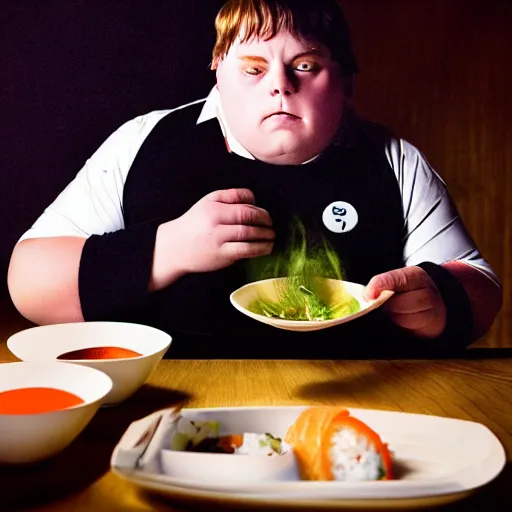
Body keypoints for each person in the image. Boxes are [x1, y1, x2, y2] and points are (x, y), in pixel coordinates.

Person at [7, 0, 502, 358]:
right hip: (167, 400)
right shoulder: (146, 141)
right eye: (253, 68)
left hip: (364, 399)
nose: (280, 85)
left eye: (305, 66)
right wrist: (166, 248)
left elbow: (479, 285)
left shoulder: (395, 161)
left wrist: (438, 297)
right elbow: (28, 281)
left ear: (346, 82)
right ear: (218, 72)